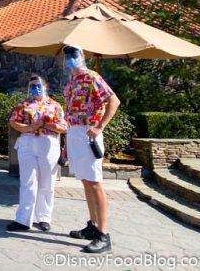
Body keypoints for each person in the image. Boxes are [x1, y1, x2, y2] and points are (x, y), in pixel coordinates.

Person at [63, 45, 121, 254]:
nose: (70, 58)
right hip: (74, 133)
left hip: (88, 134)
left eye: (74, 54)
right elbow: (70, 112)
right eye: (67, 55)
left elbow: (114, 100)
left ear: (82, 56)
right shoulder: (72, 81)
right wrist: (66, 144)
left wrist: (100, 127)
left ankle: (104, 235)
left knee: (95, 182)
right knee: (86, 181)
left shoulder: (92, 77)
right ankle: (93, 226)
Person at [7, 75, 66, 232]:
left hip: (48, 143)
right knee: (28, 182)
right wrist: (29, 128)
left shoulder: (55, 105)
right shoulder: (24, 104)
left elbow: (63, 127)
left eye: (38, 85)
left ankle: (44, 218)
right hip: (27, 142)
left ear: (46, 86)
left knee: (47, 182)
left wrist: (45, 124)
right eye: (32, 86)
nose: (35, 88)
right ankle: (23, 219)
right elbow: (13, 121)